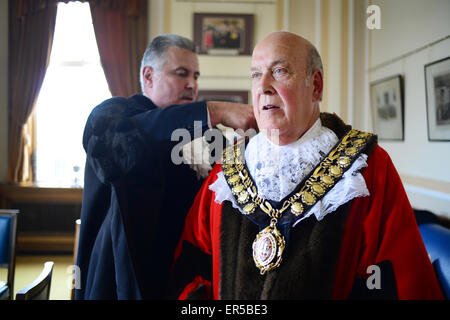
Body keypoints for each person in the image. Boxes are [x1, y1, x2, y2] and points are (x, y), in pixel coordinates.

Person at [170, 31, 444, 299]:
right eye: (256, 74)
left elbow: (399, 281)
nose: (263, 85)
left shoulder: (366, 167)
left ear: (316, 86)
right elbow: (193, 269)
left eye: (279, 71)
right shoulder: (225, 172)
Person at [75, 34, 256, 300]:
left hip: (179, 280)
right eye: (182, 74)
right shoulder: (113, 115)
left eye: (196, 76)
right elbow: (117, 150)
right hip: (120, 279)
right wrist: (213, 109)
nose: (192, 85)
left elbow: (231, 174)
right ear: (148, 76)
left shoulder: (202, 133)